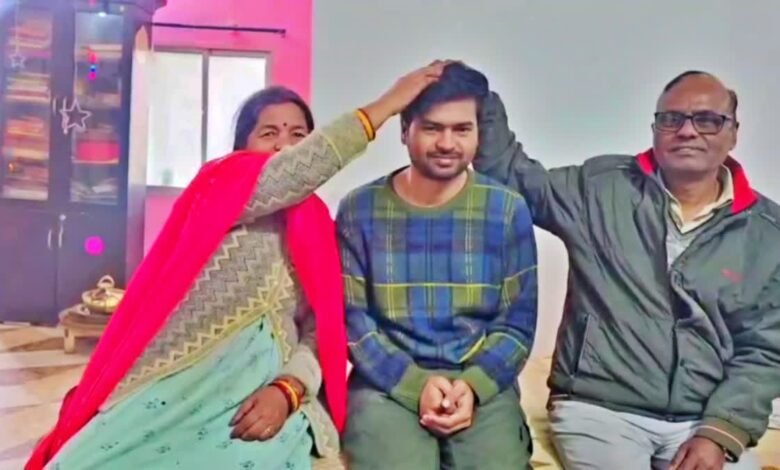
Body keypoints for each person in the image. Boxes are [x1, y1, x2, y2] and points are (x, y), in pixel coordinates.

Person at [27, 62, 451, 470]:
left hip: (260, 395)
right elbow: (292, 172)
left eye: (299, 134)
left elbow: (320, 332)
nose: (285, 145)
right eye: (269, 133)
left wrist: (289, 389)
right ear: (242, 146)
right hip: (183, 381)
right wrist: (387, 105)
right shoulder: (220, 187)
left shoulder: (318, 226)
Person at [474, 70, 780, 470]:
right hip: (599, 408)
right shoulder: (601, 188)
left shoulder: (767, 232)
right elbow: (514, 177)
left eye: (707, 120)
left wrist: (720, 432)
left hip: (701, 418)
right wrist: (477, 96)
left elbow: (765, 349)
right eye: (672, 119)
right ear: (655, 129)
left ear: (733, 133)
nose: (687, 131)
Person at [338, 62, 538, 469]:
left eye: (462, 129)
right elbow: (353, 323)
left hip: (481, 381)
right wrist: (416, 385)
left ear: (478, 134)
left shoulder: (506, 210)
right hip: (386, 384)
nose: (447, 143)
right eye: (432, 128)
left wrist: (474, 386)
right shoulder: (359, 209)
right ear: (404, 131)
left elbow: (517, 325)